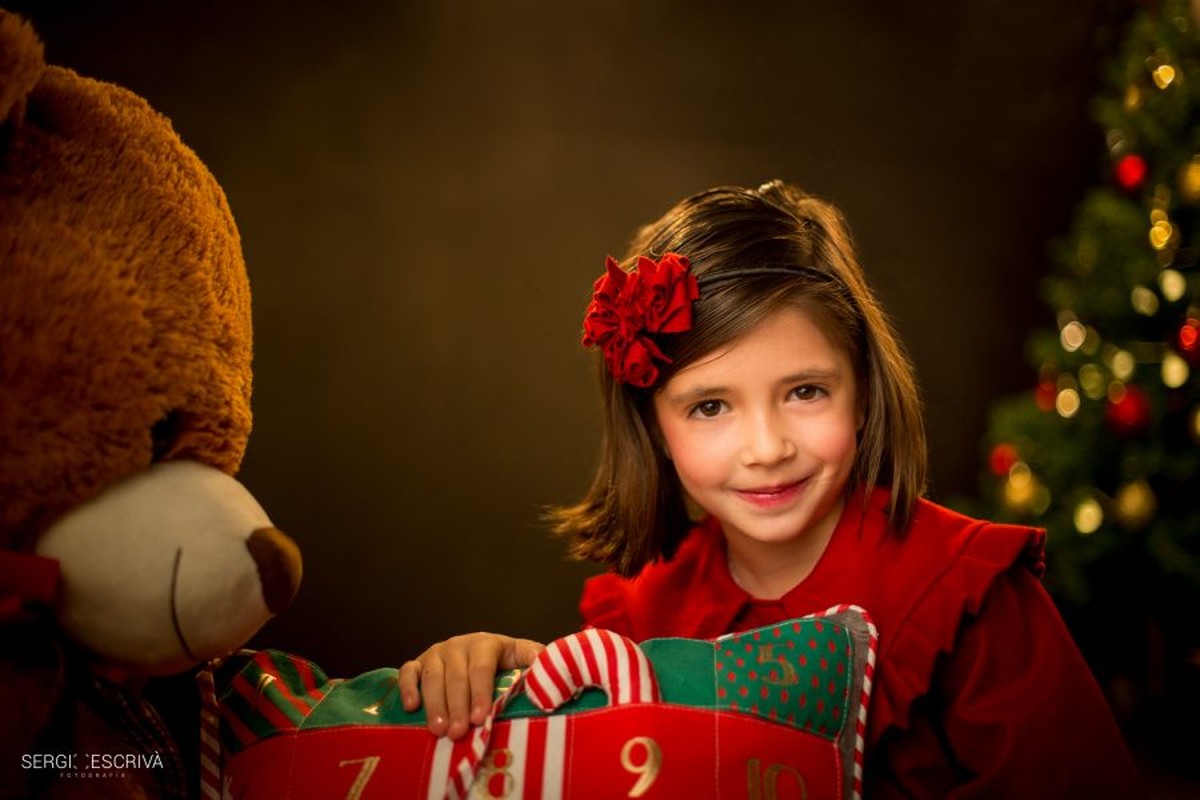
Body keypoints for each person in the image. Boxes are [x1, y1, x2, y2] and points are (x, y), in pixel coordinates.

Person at [399, 181, 1143, 797]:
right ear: (652, 425)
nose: (767, 448)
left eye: (806, 392)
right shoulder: (638, 615)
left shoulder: (969, 597)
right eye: (711, 406)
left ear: (862, 387)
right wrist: (512, 683)